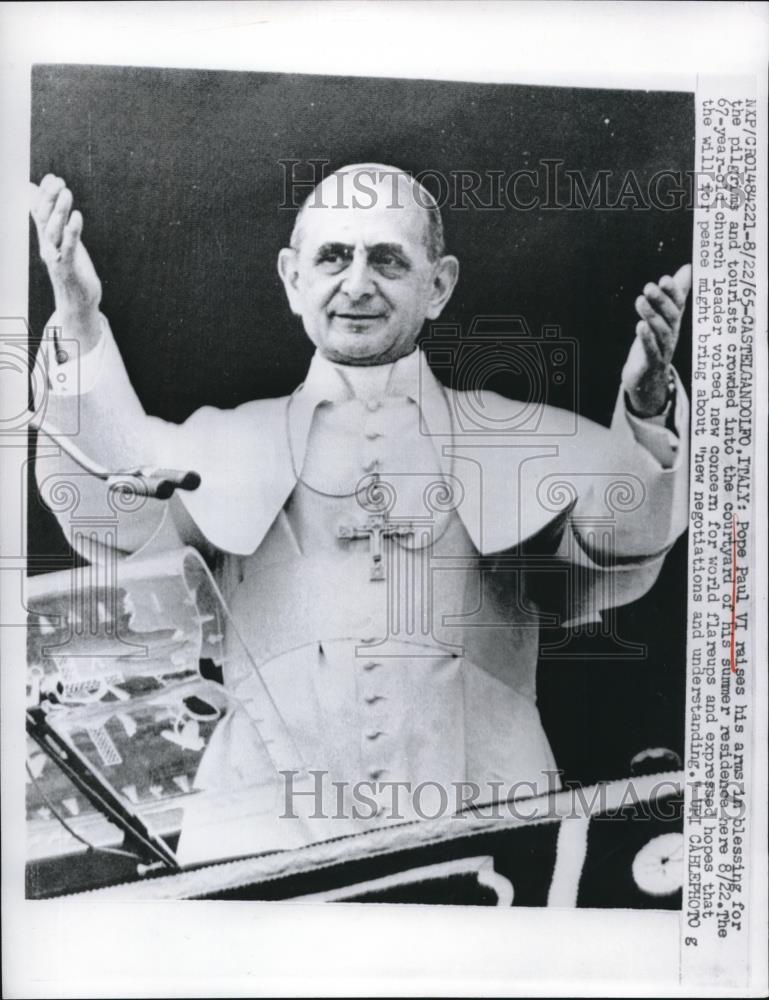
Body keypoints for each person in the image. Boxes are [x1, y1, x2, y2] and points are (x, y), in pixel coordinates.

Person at [29, 164, 691, 841]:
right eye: (333, 256)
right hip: (261, 821)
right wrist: (79, 323)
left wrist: (644, 411)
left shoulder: (515, 437)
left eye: (386, 260)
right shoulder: (225, 440)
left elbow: (616, 545)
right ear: (293, 278)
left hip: (491, 805)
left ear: (438, 285)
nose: (356, 284)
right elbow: (105, 507)